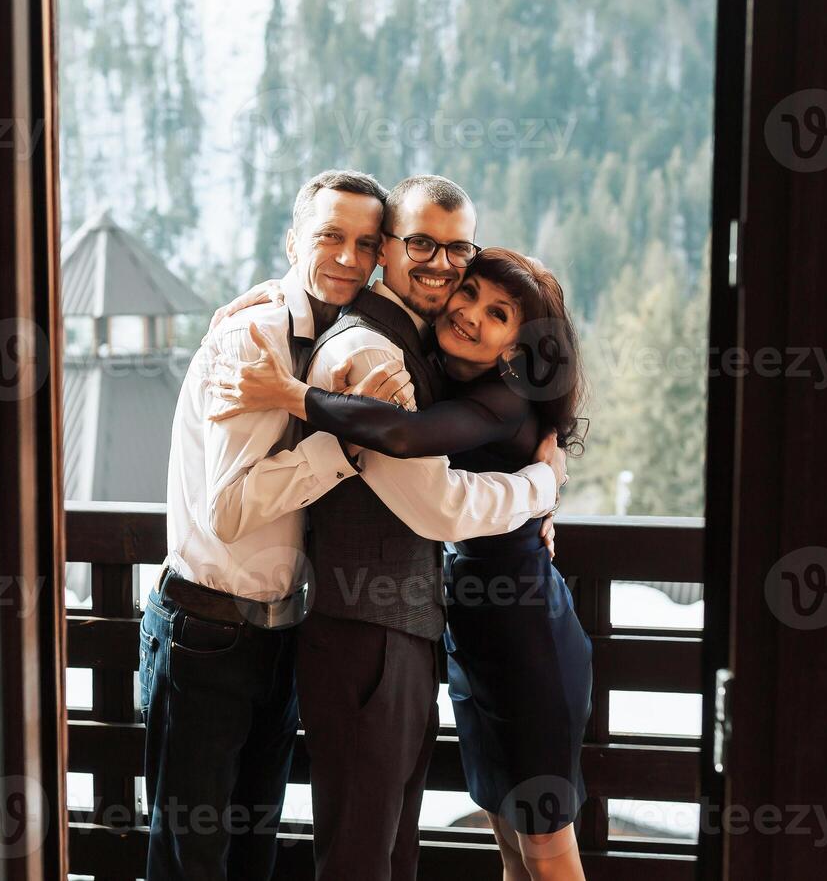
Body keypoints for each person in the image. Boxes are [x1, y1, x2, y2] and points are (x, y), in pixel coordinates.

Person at [149, 169, 562, 881]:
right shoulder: (330, 348)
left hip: (288, 628)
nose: (346, 255)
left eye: (360, 241)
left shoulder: (360, 334)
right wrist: (536, 486)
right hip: (220, 626)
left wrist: (536, 491)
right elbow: (427, 505)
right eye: (328, 237)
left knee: (272, 851)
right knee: (216, 858)